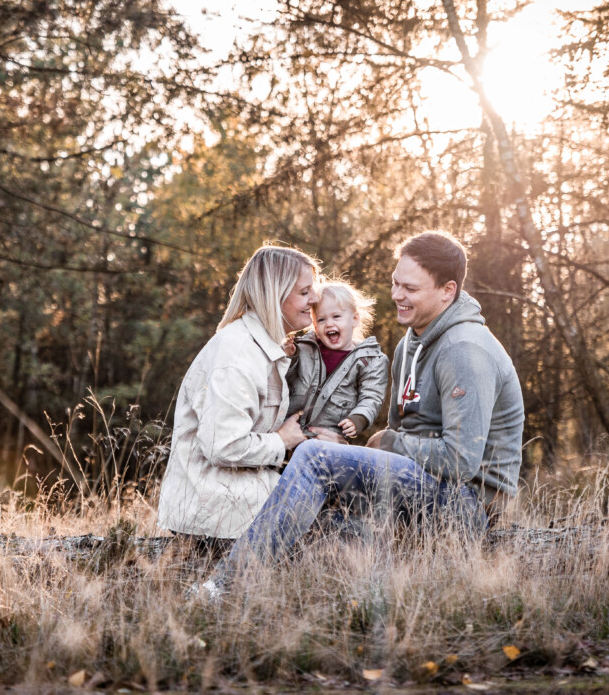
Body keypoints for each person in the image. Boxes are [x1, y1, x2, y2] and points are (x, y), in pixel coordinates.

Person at [193, 230, 524, 594]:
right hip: (424, 485)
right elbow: (399, 443)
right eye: (396, 283)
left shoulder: (464, 350)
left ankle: (222, 588)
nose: (397, 295)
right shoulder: (409, 345)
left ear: (447, 290)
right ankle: (292, 592)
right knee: (322, 503)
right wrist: (351, 448)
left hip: (469, 505)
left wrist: (387, 442)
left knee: (317, 458)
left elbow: (461, 462)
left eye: (410, 289)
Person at [156, 245, 342, 544]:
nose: (315, 299)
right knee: (343, 533)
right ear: (274, 294)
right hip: (218, 515)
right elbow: (223, 445)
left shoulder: (268, 348)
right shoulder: (237, 355)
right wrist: (282, 441)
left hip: (242, 499)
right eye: (305, 291)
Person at [284, 281, 389, 442]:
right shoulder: (304, 349)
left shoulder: (369, 360)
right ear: (314, 325)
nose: (329, 324)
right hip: (292, 431)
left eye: (336, 316)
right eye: (321, 320)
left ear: (354, 319)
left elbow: (371, 396)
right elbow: (286, 381)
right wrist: (290, 358)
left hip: (329, 436)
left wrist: (359, 417)